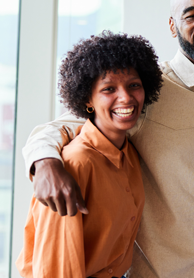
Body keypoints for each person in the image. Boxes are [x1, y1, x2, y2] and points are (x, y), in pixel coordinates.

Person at [22, 0, 194, 277]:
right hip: (154, 271)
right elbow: (61, 127)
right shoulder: (141, 91)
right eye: (191, 15)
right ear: (172, 26)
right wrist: (44, 163)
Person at [16, 32, 163, 277]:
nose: (126, 97)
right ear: (88, 100)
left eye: (134, 85)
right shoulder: (76, 164)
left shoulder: (132, 155)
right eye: (109, 89)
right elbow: (56, 269)